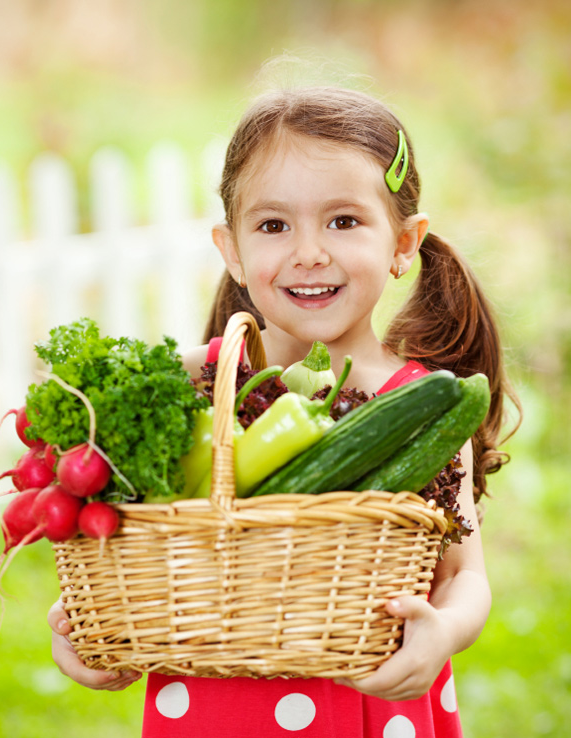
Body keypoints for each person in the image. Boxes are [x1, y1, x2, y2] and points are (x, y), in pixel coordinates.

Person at [48, 85, 520, 737]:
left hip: (366, 701)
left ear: (404, 243)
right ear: (233, 249)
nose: (308, 252)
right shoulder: (196, 383)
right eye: (274, 225)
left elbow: (467, 577)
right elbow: (125, 531)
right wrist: (86, 619)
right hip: (215, 704)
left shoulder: (420, 405)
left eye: (343, 221)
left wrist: (442, 633)